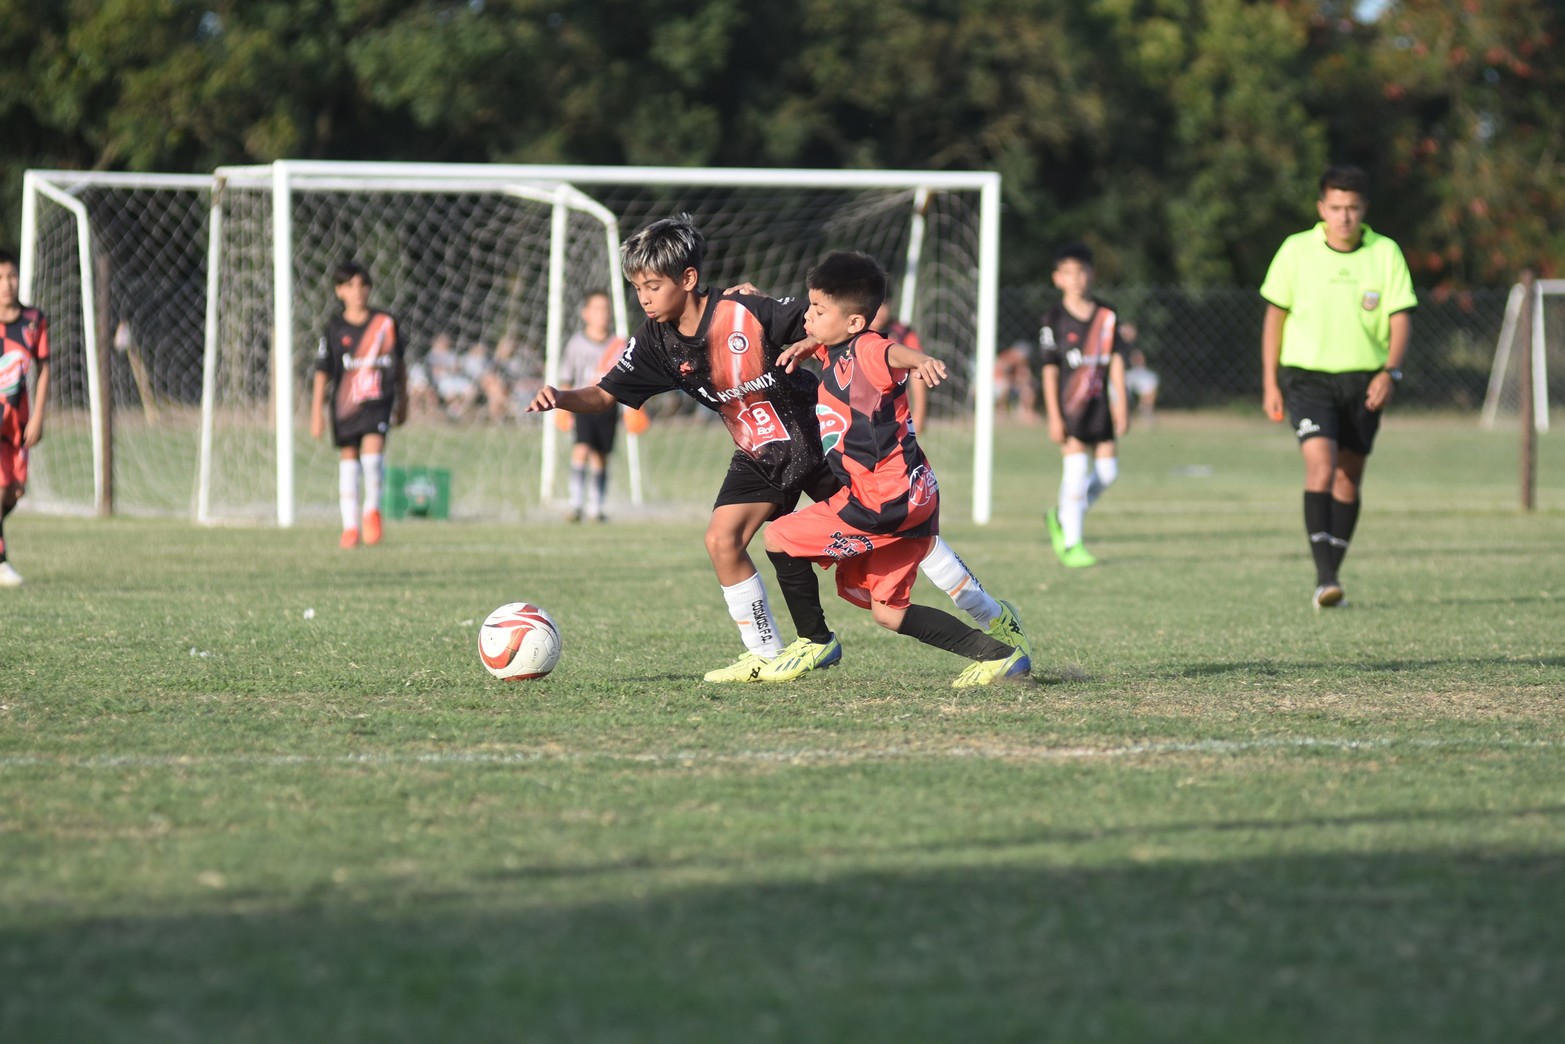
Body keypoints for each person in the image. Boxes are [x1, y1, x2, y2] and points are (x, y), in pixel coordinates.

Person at [526, 214, 1028, 683]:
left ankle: (989, 615)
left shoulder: (745, 311)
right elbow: (605, 393)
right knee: (722, 540)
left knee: (896, 544)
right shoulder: (655, 342)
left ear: (688, 278)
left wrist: (875, 351)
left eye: (652, 286)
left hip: (819, 442)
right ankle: (766, 653)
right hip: (762, 453)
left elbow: (838, 328)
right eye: (637, 288)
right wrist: (561, 397)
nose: (644, 298)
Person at [768, 252, 1031, 687]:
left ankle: (814, 642)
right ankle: (999, 657)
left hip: (882, 500)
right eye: (810, 306)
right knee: (888, 613)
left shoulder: (867, 349)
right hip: (911, 495)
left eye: (818, 310)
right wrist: (810, 342)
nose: (807, 316)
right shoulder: (837, 347)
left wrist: (919, 360)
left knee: (779, 537)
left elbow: (889, 351)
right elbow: (845, 344)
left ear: (853, 322)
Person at [1260, 164, 1415, 609]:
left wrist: (1391, 372)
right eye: (1335, 207)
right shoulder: (1296, 250)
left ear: (1363, 209)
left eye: (1352, 208)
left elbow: (1400, 317)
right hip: (1307, 377)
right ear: (1321, 208)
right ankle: (1325, 578)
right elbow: (1275, 317)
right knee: (1320, 467)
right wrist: (1270, 380)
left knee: (1349, 477)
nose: (1343, 216)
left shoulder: (1385, 253)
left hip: (1365, 380)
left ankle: (1331, 575)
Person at [1039, 242, 1129, 568]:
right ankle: (1073, 544)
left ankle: (1062, 516)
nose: (1076, 279)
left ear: (1092, 274)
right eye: (1068, 273)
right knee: (1076, 472)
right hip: (1070, 408)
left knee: (1108, 472)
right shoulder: (1053, 319)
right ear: (1057, 278)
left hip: (1101, 406)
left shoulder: (1107, 315)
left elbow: (1116, 362)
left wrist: (1122, 404)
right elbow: (1049, 370)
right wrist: (1053, 416)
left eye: (1082, 272)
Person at [310, 260, 408, 549]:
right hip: (345, 405)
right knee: (350, 462)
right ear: (339, 291)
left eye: (363, 285)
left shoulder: (385, 324)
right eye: (350, 285)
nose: (358, 291)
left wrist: (405, 400)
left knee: (373, 452)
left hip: (378, 400)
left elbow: (400, 364)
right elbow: (322, 371)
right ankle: (350, 527)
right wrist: (316, 412)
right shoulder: (334, 328)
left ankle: (372, 510)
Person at [0, 249, 50, 588]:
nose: (7, 284)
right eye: (1, 278)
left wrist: (38, 417)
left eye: (11, 276)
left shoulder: (34, 320)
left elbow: (45, 367)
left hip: (18, 424)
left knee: (14, 492)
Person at [556, 290, 624, 522]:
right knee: (581, 448)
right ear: (586, 314)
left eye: (605, 309)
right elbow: (566, 376)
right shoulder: (576, 344)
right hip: (583, 403)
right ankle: (575, 504)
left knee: (600, 455)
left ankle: (596, 506)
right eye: (596, 309)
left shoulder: (619, 345)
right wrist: (563, 409)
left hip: (608, 406)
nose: (602, 314)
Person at [872, 295, 928, 433]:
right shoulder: (853, 332)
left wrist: (919, 414)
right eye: (876, 305)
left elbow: (917, 374)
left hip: (895, 412)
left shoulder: (903, 333)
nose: (880, 311)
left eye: (883, 305)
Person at [1123, 346, 1159, 425]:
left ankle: (1144, 408)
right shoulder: (1128, 374)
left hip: (1143, 380)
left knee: (1150, 386)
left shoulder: (1149, 375)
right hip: (1131, 378)